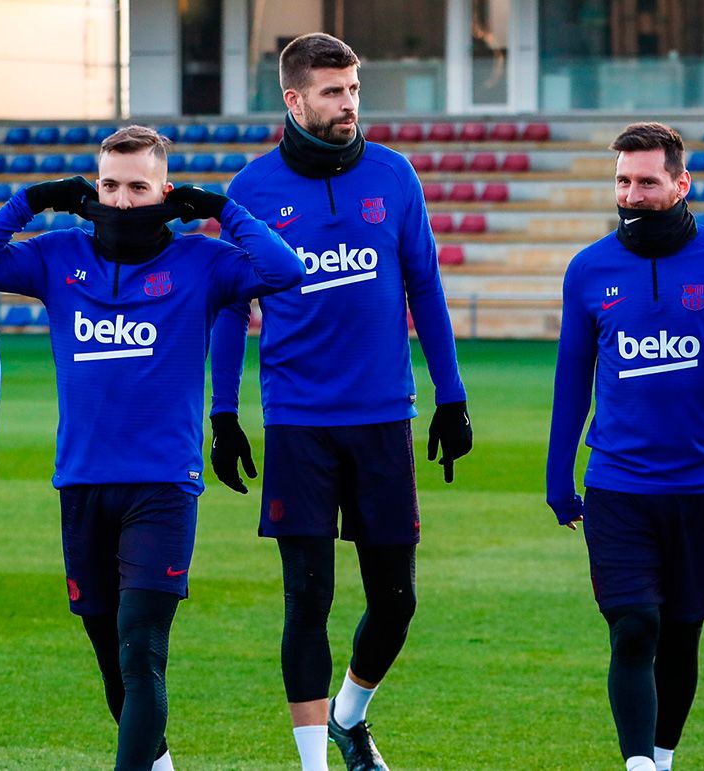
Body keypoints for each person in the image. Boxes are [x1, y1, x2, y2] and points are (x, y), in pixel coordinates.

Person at [0, 126, 303, 771]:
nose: (123, 200)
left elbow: (285, 270)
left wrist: (223, 209)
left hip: (162, 486)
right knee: (112, 660)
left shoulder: (202, 262)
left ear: (165, 190)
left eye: (140, 187)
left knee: (142, 653)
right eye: (110, 186)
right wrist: (33, 198)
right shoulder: (57, 256)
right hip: (81, 485)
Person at [207, 32, 472, 771]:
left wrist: (450, 398)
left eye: (354, 89)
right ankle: (314, 763)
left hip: (385, 416)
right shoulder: (251, 192)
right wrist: (223, 415)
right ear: (293, 100)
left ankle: (351, 716)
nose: (348, 103)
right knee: (308, 598)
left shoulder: (394, 175)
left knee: (396, 601)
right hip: (299, 424)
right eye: (332, 92)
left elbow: (426, 286)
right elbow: (231, 309)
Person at [545, 122, 704, 771]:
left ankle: (663, 757)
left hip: (701, 486)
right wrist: (558, 472)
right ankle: (638, 764)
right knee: (635, 626)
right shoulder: (589, 269)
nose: (631, 193)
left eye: (646, 181)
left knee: (680, 637)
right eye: (623, 179)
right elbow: (571, 378)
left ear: (681, 183)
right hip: (618, 487)